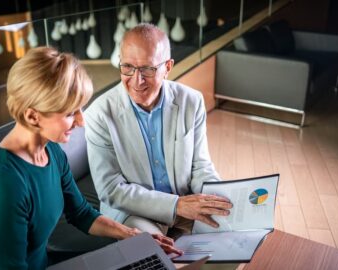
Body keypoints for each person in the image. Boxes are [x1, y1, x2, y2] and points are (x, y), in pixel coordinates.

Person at [0, 47, 181, 270]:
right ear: (32, 116)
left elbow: (81, 214)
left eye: (80, 109)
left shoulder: (52, 152)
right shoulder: (2, 184)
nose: (81, 121)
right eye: (69, 113)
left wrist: (134, 236)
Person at [85, 23, 233, 236]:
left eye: (148, 68)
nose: (138, 80)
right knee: (155, 257)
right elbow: (111, 190)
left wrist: (219, 199)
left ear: (168, 67)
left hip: (185, 202)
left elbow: (201, 166)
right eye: (127, 67)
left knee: (231, 239)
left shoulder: (192, 101)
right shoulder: (99, 114)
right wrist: (176, 205)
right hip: (133, 213)